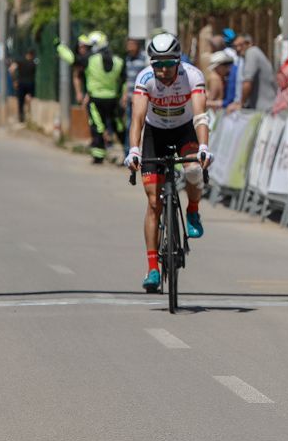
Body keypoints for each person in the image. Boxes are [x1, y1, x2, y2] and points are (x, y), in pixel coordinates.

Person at [124, 32, 212, 292]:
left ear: (178, 61)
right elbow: (138, 119)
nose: (163, 70)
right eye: (157, 64)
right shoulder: (145, 78)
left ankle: (193, 209)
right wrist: (134, 150)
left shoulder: (192, 76)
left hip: (184, 128)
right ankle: (153, 268)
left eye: (168, 64)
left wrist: (204, 146)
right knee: (153, 202)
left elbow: (200, 116)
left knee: (194, 171)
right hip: (155, 131)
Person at [78, 31, 125, 164]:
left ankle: (98, 156)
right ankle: (129, 152)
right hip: (113, 99)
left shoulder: (90, 59)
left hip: (96, 99)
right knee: (119, 126)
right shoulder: (118, 60)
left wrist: (59, 46)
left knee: (97, 127)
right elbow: (123, 79)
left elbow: (73, 60)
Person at [231, 33, 276, 111]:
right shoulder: (251, 55)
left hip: (265, 109)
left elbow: (247, 82)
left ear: (249, 43)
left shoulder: (252, 52)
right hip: (265, 108)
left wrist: (240, 104)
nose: (238, 49)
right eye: (235, 46)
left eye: (241, 45)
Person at [120, 37, 148, 153]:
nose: (129, 47)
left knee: (143, 127)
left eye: (131, 44)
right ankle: (129, 153)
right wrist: (125, 95)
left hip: (142, 100)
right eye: (128, 44)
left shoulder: (144, 59)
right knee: (129, 126)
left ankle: (144, 154)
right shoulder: (127, 59)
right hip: (131, 100)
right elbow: (127, 80)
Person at [9, 49, 38, 124]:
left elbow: (11, 69)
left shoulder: (20, 62)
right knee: (29, 99)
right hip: (30, 84)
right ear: (32, 55)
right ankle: (29, 116)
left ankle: (21, 117)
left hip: (21, 84)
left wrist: (14, 80)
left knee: (21, 101)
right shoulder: (34, 63)